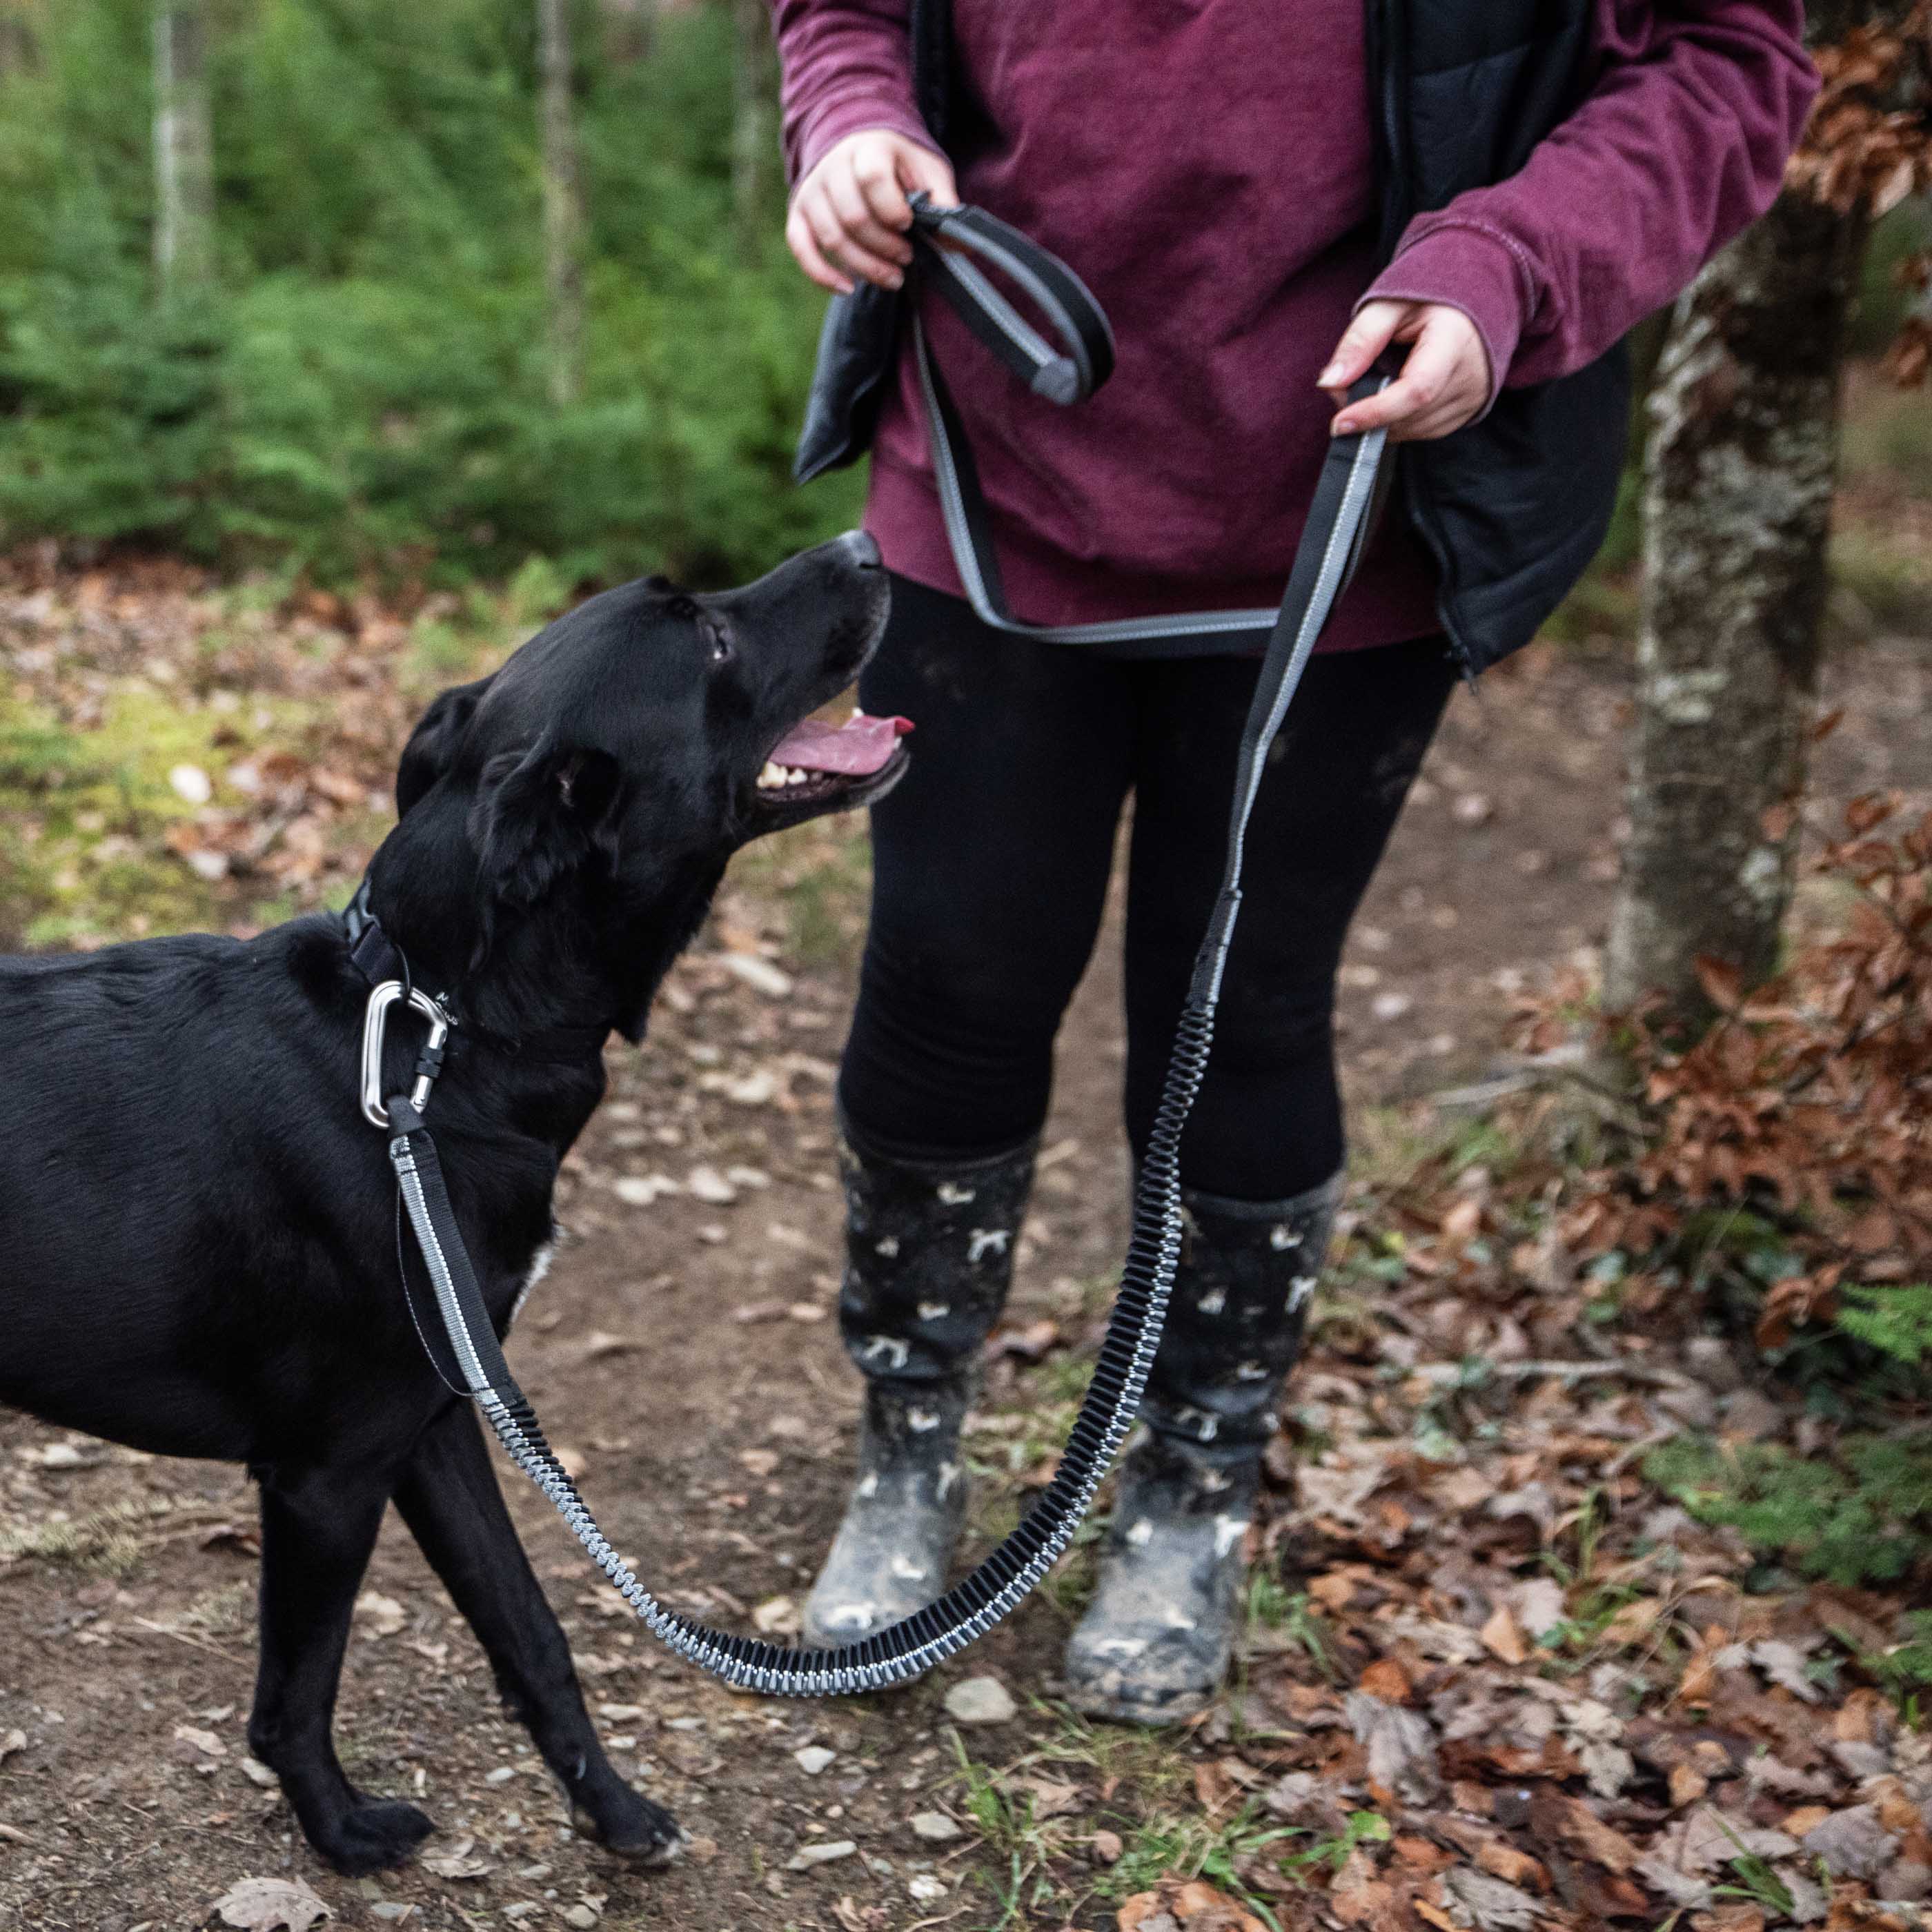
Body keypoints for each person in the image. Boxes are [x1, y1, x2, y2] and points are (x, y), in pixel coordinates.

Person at [767, 0, 1817, 1722]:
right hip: (981, 468)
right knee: (948, 980)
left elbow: (1729, 63)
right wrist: (853, 114)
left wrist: (1510, 262)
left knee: (1239, 1010)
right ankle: (909, 1438)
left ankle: (1187, 1485)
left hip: (1350, 498)